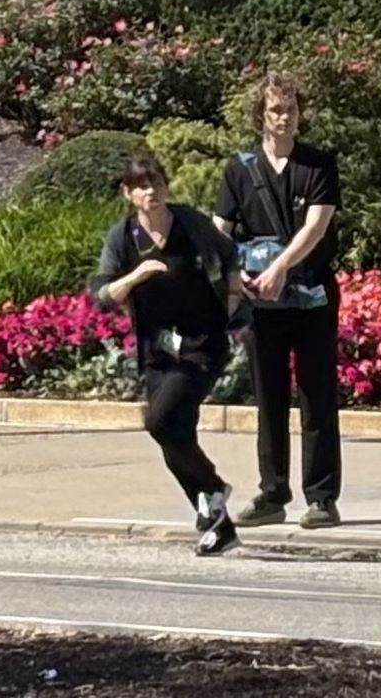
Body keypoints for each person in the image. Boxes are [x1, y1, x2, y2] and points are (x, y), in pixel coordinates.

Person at [88, 156, 249, 557]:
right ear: (128, 194)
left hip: (202, 343)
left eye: (156, 183)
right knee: (176, 435)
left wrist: (233, 297)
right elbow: (103, 294)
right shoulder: (123, 236)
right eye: (141, 186)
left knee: (159, 421)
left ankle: (212, 487)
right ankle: (220, 525)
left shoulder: (190, 223)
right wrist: (138, 275)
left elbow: (230, 253)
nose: (151, 192)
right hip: (156, 350)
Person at [214, 72, 346, 530]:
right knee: (268, 396)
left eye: (291, 109)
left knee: (317, 395)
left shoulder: (319, 165)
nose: (284, 117)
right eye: (275, 110)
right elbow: (220, 230)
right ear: (261, 115)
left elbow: (316, 227)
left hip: (312, 295)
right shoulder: (239, 169)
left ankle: (322, 498)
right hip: (261, 301)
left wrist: (280, 268)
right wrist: (236, 276)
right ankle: (272, 493)